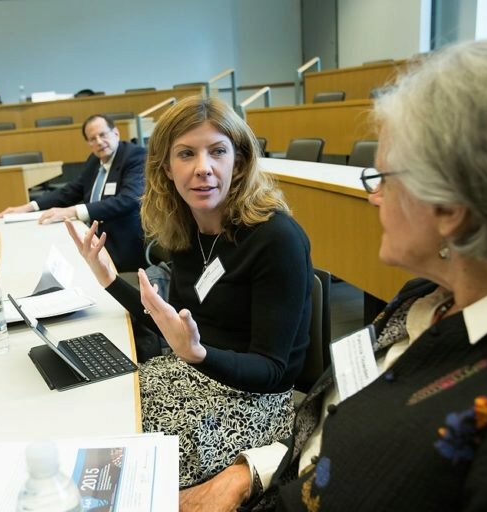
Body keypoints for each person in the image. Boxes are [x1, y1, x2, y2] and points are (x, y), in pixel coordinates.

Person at [179, 39, 487, 512]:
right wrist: (251, 473)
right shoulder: (425, 297)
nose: (374, 198)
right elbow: (340, 423)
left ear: (451, 208)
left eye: (384, 179)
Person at [65, 96, 313, 487]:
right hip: (191, 374)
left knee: (127, 471)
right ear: (166, 166)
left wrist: (198, 354)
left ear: (240, 160)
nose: (203, 169)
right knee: (100, 414)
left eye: (217, 151)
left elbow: (274, 371)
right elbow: (173, 322)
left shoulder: (276, 238)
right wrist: (109, 279)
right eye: (186, 154)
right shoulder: (185, 228)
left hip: (253, 403)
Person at [0, 114, 146, 272]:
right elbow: (73, 190)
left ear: (116, 133)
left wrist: (73, 211)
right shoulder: (95, 160)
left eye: (103, 135)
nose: (99, 142)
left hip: (121, 245)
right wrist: (29, 207)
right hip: (91, 238)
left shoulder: (135, 156)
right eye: (93, 139)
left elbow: (128, 200)